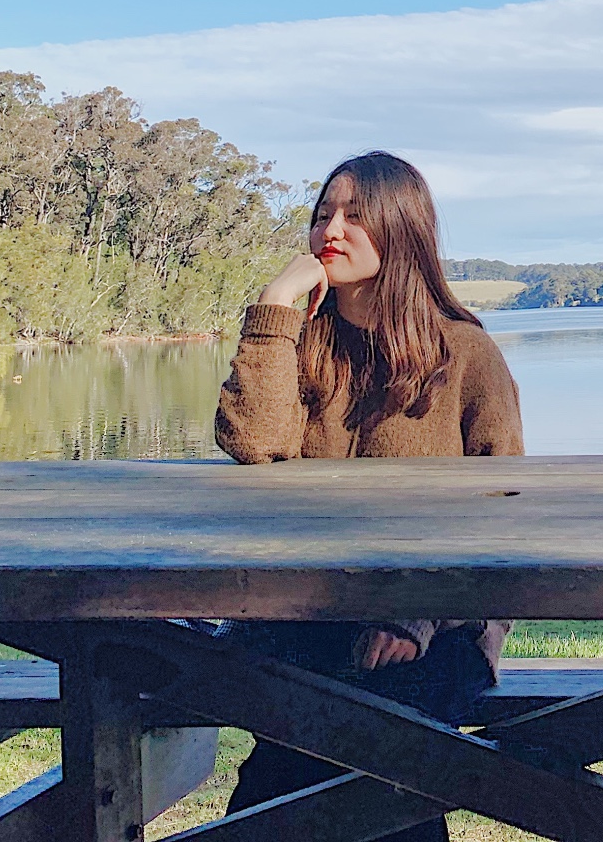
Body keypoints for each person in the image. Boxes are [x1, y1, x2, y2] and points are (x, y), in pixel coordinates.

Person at [214, 150, 523, 832]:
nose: (333, 228)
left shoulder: (466, 355)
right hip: (309, 618)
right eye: (324, 213)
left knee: (384, 762)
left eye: (355, 215)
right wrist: (274, 306)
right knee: (289, 766)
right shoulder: (301, 347)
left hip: (442, 621)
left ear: (401, 229)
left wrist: (415, 617)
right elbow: (253, 443)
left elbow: (501, 519)